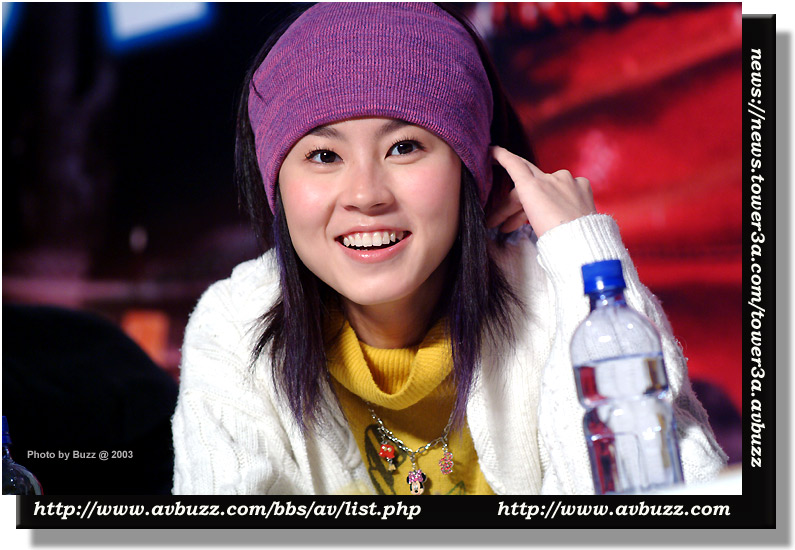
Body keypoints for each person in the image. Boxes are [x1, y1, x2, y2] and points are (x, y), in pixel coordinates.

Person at [171, 2, 726, 495]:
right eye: (323, 156)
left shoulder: (553, 296)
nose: (365, 194)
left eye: (404, 147)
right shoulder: (233, 330)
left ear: (473, 167)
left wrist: (586, 255)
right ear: (276, 186)